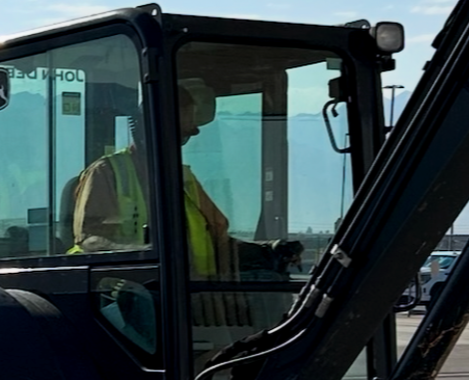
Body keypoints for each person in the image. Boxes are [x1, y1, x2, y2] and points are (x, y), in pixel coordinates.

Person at [69, 80, 301, 278]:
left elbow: (218, 241)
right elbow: (89, 241)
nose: (193, 132)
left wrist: (267, 250)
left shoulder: (183, 177)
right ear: (151, 126)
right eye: (184, 127)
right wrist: (146, 255)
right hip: (127, 294)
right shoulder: (106, 173)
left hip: (194, 296)